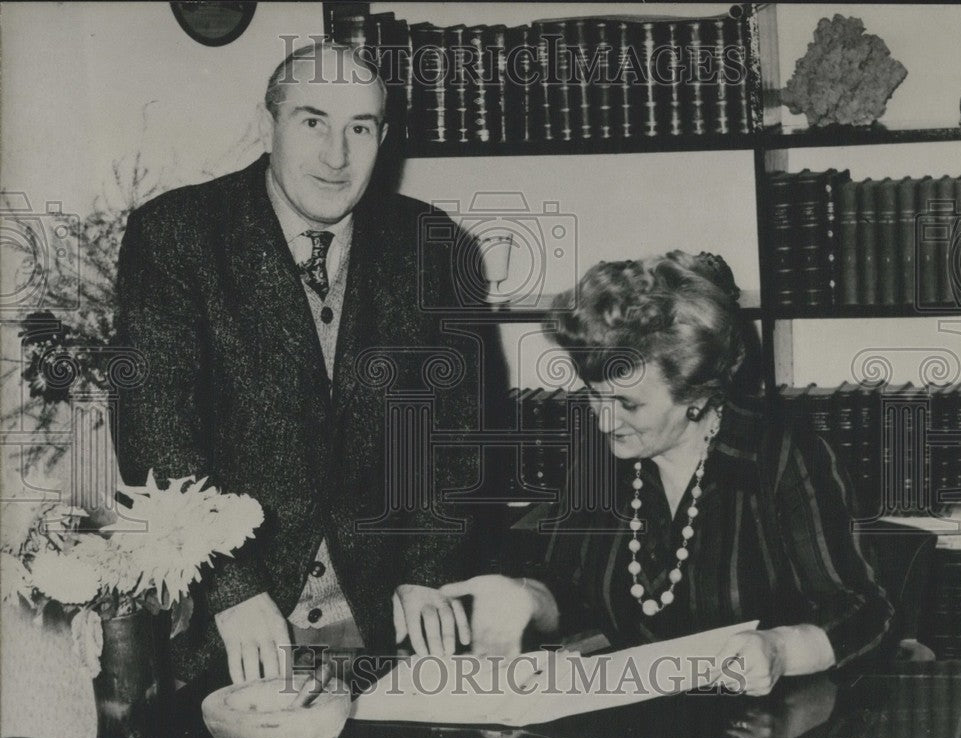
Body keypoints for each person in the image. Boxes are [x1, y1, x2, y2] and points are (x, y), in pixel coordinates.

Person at [114, 42, 495, 684]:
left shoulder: (434, 247)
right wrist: (229, 588)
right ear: (269, 126)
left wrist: (426, 572)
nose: (336, 155)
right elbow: (156, 432)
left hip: (387, 628)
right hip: (229, 631)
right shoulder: (175, 235)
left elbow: (455, 436)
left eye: (360, 128)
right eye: (313, 121)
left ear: (384, 137)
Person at [438, 251, 894, 696]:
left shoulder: (781, 457)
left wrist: (779, 649)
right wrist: (529, 597)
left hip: (766, 724)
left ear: (695, 392)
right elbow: (573, 592)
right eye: (594, 396)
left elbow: (864, 611)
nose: (604, 421)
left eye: (628, 404)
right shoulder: (603, 455)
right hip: (630, 725)